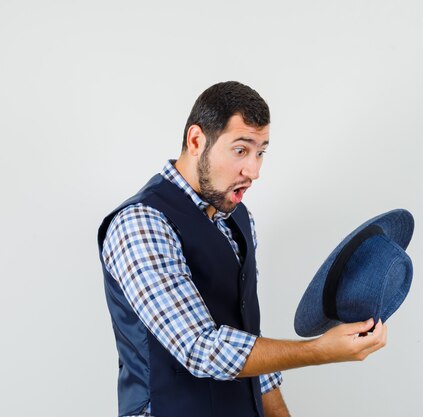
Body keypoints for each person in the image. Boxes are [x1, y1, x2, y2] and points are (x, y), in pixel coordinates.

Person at [97, 81, 388, 417]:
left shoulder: (238, 219)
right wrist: (321, 350)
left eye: (261, 152)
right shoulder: (141, 222)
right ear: (196, 141)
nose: (254, 171)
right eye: (241, 150)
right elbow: (199, 348)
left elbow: (247, 338)